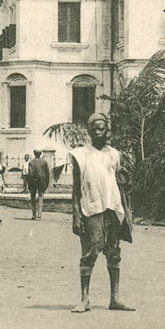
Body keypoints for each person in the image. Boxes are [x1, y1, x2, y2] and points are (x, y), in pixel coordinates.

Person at [70, 112, 134, 313]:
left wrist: (127, 211)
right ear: (88, 131)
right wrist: (76, 214)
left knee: (114, 253)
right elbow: (75, 188)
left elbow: (120, 183)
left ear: (107, 130)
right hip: (91, 208)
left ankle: (115, 299)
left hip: (113, 209)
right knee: (89, 253)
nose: (98, 132)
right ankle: (84, 299)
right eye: (94, 128)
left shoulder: (114, 154)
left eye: (102, 128)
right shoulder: (80, 155)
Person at [27, 148, 51, 220]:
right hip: (41, 181)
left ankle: (34, 214)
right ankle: (39, 215)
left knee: (33, 197)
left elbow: (29, 173)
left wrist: (29, 183)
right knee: (41, 197)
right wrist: (47, 182)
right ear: (41, 154)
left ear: (34, 153)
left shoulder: (31, 162)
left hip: (33, 181)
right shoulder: (44, 162)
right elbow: (47, 173)